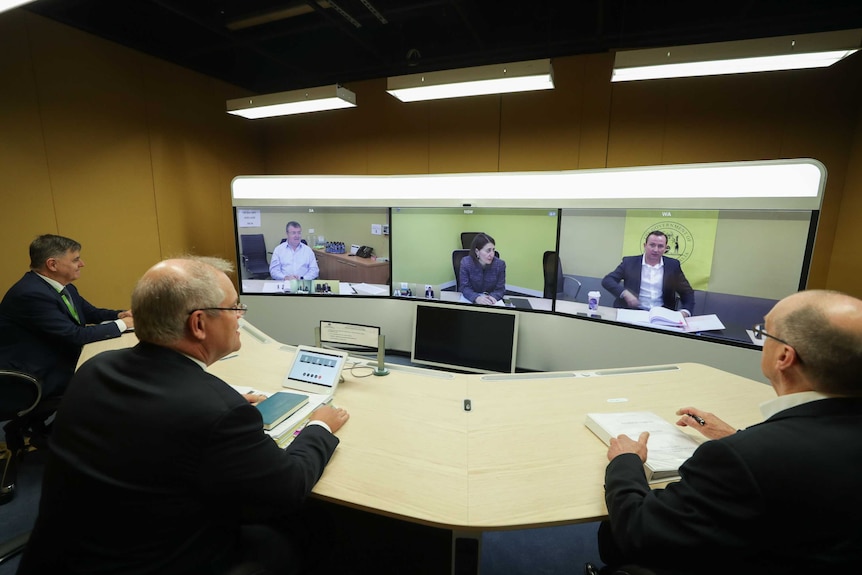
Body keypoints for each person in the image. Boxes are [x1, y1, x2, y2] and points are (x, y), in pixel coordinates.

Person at [18, 257, 350, 575]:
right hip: (155, 565)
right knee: (314, 527)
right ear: (199, 324)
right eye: (234, 307)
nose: (241, 316)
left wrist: (219, 406)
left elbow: (158, 420)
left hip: (58, 560)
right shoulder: (217, 411)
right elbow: (288, 488)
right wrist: (320, 425)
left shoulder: (95, 369)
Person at [594, 290, 862, 575]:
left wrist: (626, 462)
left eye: (765, 333)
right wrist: (738, 435)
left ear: (784, 356)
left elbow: (640, 533)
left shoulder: (740, 459)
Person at [0, 234, 133, 445]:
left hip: (53, 358)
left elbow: (90, 313)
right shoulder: (30, 294)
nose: (82, 264)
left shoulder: (62, 286)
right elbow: (74, 335)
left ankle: (47, 431)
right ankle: (65, 438)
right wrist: (124, 325)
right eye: (75, 259)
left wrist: (120, 315)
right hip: (32, 374)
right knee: (102, 380)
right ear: (52, 264)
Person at [601, 230, 695, 316]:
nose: (655, 250)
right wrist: (625, 293)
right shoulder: (629, 262)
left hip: (662, 314)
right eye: (652, 245)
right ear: (645, 246)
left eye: (660, 246)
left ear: (666, 248)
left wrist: (685, 311)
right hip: (632, 312)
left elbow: (687, 292)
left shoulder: (672, 265)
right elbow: (608, 280)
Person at [459, 232, 506, 305]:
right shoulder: (466, 263)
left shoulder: (500, 265)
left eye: (493, 250)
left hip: (491, 301)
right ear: (477, 251)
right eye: (488, 250)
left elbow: (500, 289)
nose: (492, 254)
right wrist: (476, 298)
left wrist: (493, 297)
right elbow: (464, 287)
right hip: (472, 300)